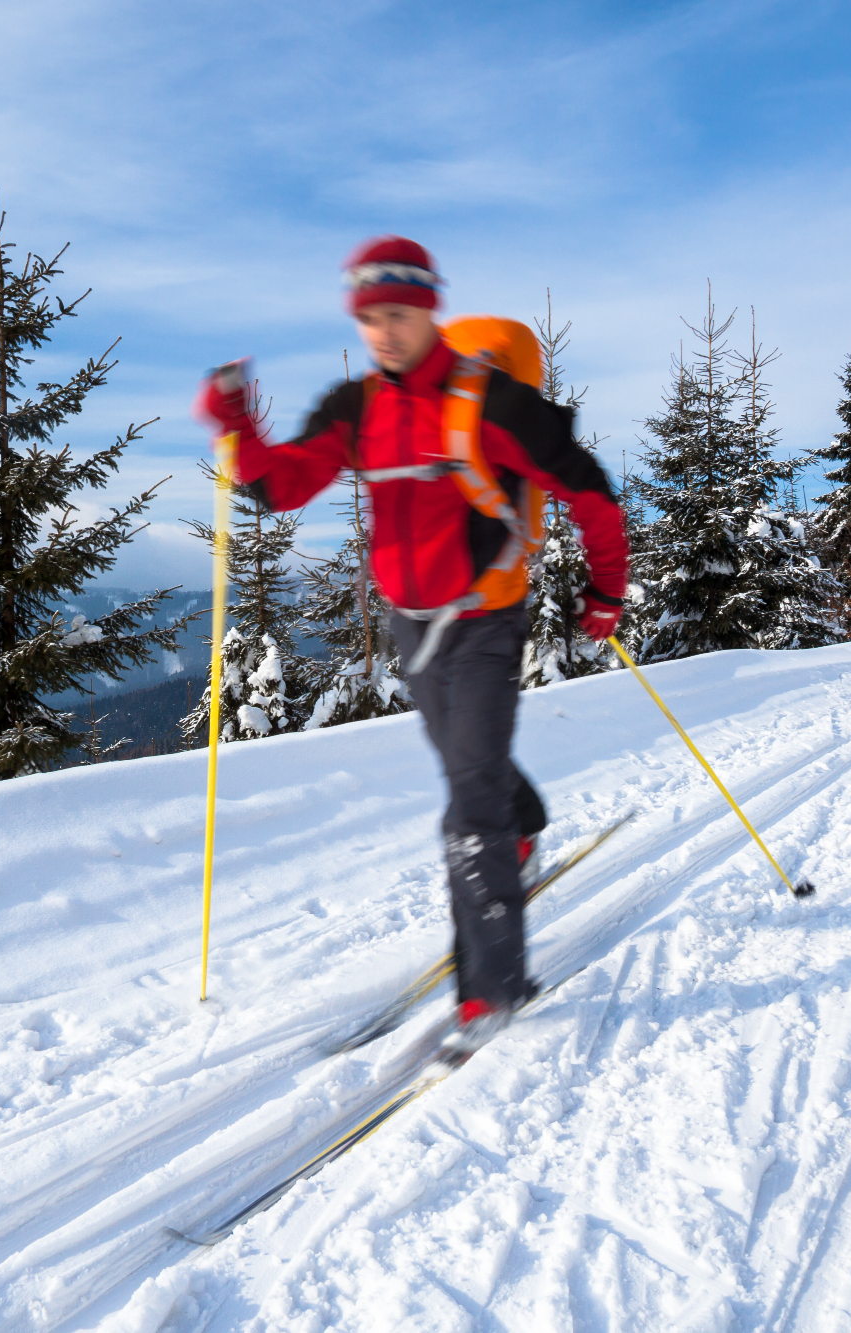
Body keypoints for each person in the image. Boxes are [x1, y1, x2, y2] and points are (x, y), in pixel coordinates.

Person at [194, 236, 629, 1055]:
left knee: (467, 803)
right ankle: (523, 827)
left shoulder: (492, 404)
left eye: (398, 314)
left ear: (430, 308)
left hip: (488, 621)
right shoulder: (359, 410)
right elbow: (284, 486)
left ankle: (492, 990)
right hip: (411, 624)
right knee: (472, 768)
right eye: (370, 319)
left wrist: (605, 590)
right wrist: (237, 428)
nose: (385, 333)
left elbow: (591, 492)